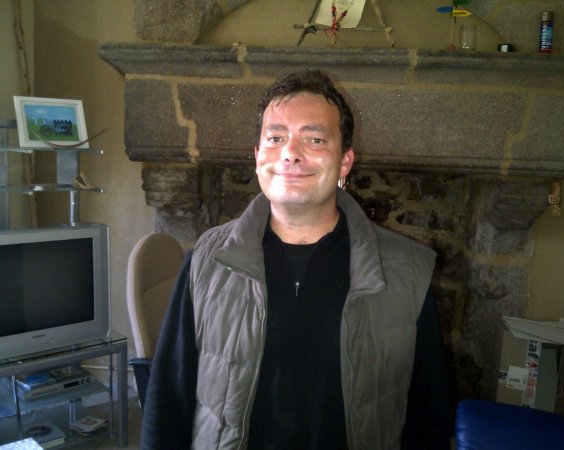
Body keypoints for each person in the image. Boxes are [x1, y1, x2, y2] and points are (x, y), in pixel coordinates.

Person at [141, 69, 452, 450]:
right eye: (275, 138)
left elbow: (428, 419)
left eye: (315, 139)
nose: (290, 153)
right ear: (258, 156)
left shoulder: (408, 272)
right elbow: (168, 401)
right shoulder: (207, 260)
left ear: (345, 162)